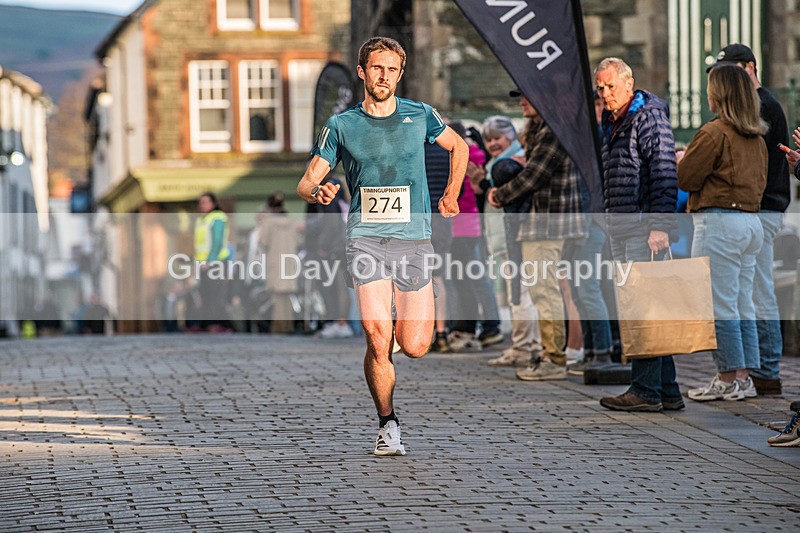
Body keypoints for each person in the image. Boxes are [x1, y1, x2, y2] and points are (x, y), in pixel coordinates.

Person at [296, 36, 468, 456]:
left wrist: (452, 193)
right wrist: (316, 192)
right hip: (365, 239)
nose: (384, 76)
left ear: (400, 73)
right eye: (377, 68)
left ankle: (417, 307)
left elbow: (458, 147)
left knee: (415, 346)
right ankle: (387, 423)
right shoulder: (341, 126)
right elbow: (306, 181)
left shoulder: (420, 115)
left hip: (413, 240)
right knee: (376, 337)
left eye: (392, 69)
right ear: (362, 72)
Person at [594, 58, 682, 412]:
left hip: (642, 226)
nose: (605, 94)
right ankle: (667, 388)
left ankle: (645, 390)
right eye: (600, 88)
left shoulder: (648, 116)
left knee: (643, 308)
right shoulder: (612, 119)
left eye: (610, 87)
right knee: (646, 306)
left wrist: (660, 224)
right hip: (622, 224)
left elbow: (663, 171)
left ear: (629, 84)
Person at [678, 64, 767, 402]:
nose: (707, 94)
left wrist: (682, 158)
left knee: (720, 306)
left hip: (719, 222)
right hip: (750, 222)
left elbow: (686, 179)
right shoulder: (756, 136)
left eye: (710, 88)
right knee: (743, 303)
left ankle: (728, 376)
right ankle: (744, 378)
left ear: (720, 95)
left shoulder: (714, 132)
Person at [707, 44, 791, 397]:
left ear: (750, 67)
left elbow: (756, 164)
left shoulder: (764, 105)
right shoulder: (753, 106)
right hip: (755, 208)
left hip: (761, 207)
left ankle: (765, 370)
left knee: (756, 292)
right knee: (748, 293)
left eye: (733, 68)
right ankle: (757, 370)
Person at [487, 90, 586, 381]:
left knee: (545, 289)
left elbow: (535, 175)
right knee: (543, 288)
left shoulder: (553, 128)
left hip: (548, 222)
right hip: (541, 221)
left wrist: (500, 194)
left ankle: (554, 359)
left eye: (529, 95)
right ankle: (551, 354)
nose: (522, 101)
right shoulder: (542, 128)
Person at [474, 116, 543, 368]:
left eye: (497, 138)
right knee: (521, 289)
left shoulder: (513, 161)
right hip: (500, 235)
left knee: (521, 290)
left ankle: (524, 346)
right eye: (488, 139)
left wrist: (484, 184)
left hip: (512, 234)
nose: (492, 143)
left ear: (511, 136)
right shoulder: (498, 161)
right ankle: (526, 344)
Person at [448, 121, 503, 349]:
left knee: (470, 278)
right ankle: (477, 326)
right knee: (471, 277)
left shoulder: (464, 155)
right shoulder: (475, 153)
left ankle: (483, 326)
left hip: (463, 224)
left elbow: (458, 191)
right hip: (470, 223)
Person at [260, 192, 300, 334]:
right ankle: (289, 326)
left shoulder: (269, 222)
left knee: (277, 298)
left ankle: (278, 329)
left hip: (275, 263)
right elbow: (297, 241)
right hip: (289, 263)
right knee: (287, 298)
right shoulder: (291, 221)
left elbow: (263, 242)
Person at [195, 191, 232, 332]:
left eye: (205, 202)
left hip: (216, 262)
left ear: (213, 203)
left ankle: (219, 325)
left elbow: (216, 241)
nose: (202, 205)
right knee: (205, 294)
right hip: (203, 264)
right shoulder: (202, 219)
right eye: (200, 202)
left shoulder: (218, 217)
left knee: (215, 295)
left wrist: (210, 261)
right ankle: (207, 324)